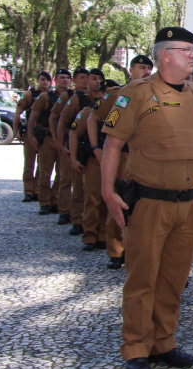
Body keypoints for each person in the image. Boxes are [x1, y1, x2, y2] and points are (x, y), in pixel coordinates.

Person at [100, 27, 193, 369]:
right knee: (143, 278)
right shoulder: (136, 93)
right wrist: (107, 192)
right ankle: (136, 346)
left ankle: (164, 341)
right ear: (165, 55)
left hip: (188, 205)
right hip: (150, 202)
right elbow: (112, 146)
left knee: (173, 278)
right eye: (186, 50)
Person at [87, 55, 154, 270]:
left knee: (143, 204)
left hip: (145, 156)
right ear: (131, 69)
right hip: (123, 155)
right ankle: (116, 250)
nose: (145, 71)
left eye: (148, 68)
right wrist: (96, 148)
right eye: (141, 67)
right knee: (119, 198)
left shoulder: (155, 94)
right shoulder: (118, 94)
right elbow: (92, 118)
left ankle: (137, 249)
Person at [58, 68, 103, 235]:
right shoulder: (77, 99)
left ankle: (97, 227)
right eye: (92, 78)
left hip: (98, 152)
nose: (95, 81)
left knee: (95, 192)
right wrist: (62, 145)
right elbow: (62, 121)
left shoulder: (107, 101)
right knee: (76, 185)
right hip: (81, 148)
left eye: (99, 79)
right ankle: (76, 219)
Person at [68, 79, 111, 250]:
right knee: (92, 198)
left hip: (111, 160)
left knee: (107, 199)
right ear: (101, 94)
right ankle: (89, 236)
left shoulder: (119, 111)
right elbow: (73, 134)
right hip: (93, 161)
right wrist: (73, 158)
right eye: (107, 93)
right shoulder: (88, 112)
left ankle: (103, 235)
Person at [28, 68, 71, 215]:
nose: (65, 80)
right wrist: (31, 136)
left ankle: (55, 201)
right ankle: (44, 202)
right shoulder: (46, 97)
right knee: (45, 172)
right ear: (55, 80)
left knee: (62, 174)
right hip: (47, 138)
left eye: (67, 78)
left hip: (64, 139)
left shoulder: (72, 97)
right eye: (62, 78)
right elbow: (33, 116)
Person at [51, 67, 90, 228]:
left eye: (87, 77)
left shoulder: (94, 97)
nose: (85, 80)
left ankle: (80, 215)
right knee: (66, 178)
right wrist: (59, 143)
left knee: (83, 184)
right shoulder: (68, 96)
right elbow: (58, 119)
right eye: (81, 77)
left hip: (86, 144)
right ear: (75, 80)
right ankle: (64, 211)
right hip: (71, 140)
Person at [15, 71, 52, 203]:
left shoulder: (51, 96)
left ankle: (37, 190)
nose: (45, 82)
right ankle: (28, 191)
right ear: (38, 81)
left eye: (47, 80)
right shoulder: (29, 95)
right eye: (42, 79)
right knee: (29, 164)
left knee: (42, 166)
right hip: (31, 132)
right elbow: (18, 113)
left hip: (45, 133)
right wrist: (15, 131)